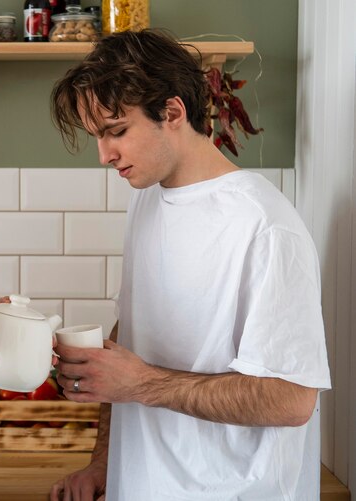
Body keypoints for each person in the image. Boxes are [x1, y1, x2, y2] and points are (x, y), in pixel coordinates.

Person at [49, 30, 331, 500]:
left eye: (116, 131)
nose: (104, 155)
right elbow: (133, 330)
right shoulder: (148, 200)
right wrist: (103, 462)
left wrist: (142, 384)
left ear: (173, 113)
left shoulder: (263, 225)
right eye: (98, 136)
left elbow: (292, 398)